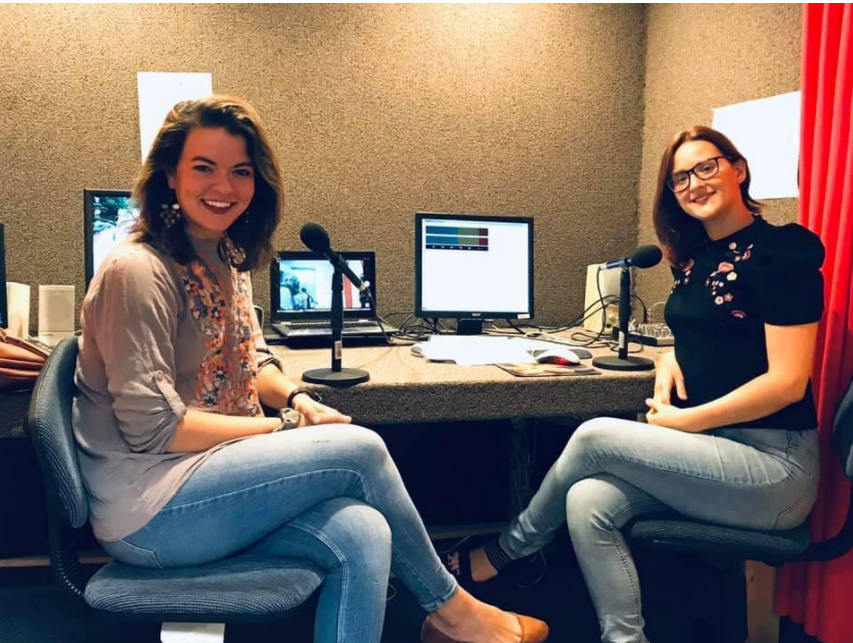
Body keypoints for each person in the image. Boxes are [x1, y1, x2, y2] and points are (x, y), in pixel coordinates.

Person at [72, 95, 547, 643]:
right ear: (170, 175)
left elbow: (254, 359)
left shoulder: (223, 256)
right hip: (149, 509)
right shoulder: (138, 271)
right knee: (360, 449)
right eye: (204, 167)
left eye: (240, 172)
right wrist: (286, 430)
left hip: (213, 476)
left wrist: (297, 400)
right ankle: (452, 609)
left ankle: (448, 620)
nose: (223, 187)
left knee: (365, 530)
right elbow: (156, 427)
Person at [444, 125, 825, 643]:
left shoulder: (782, 253)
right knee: (587, 501)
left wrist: (687, 421)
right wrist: (669, 357)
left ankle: (508, 549)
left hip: (773, 469)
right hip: (717, 455)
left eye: (706, 167)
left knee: (595, 435)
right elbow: (713, 335)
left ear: (738, 168)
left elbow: (786, 382)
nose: (693, 183)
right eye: (679, 178)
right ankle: (625, 638)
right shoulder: (697, 258)